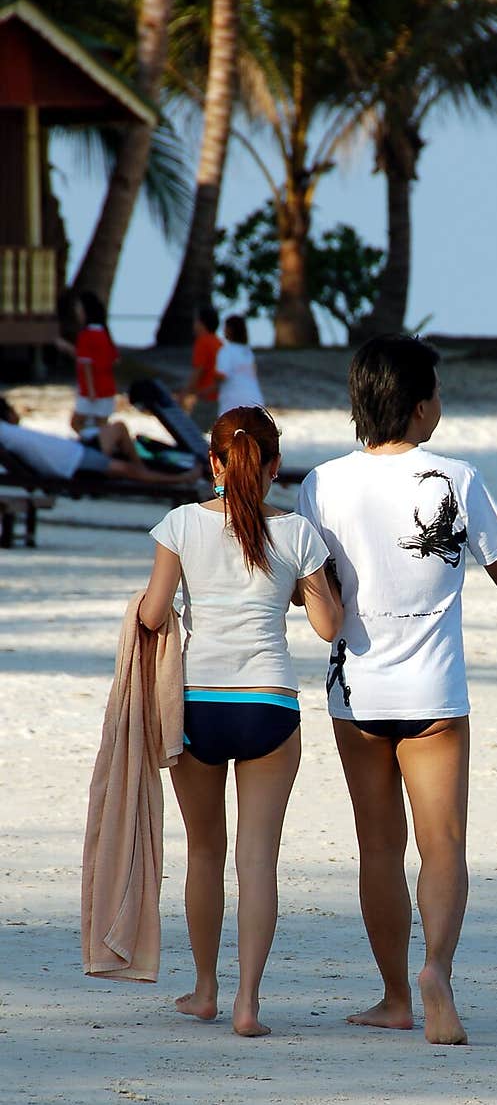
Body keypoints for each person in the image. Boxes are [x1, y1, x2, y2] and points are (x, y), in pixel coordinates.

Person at [297, 334, 497, 1046]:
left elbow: (312, 587)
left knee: (378, 849)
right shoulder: (458, 476)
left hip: (357, 695)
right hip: (435, 694)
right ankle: (436, 969)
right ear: (420, 408)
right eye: (437, 392)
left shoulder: (319, 484)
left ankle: (391, 996)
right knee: (442, 843)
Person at [138, 405, 342, 1037]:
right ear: (275, 467)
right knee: (258, 862)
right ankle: (248, 1005)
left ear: (215, 464)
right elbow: (329, 627)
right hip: (270, 705)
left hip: (199, 704)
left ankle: (204, 991)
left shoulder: (180, 526)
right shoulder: (300, 534)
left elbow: (151, 615)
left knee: (204, 852)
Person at [0, 397, 200, 488]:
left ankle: (140, 465)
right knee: (127, 468)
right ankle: (179, 479)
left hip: (75, 450)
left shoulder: (9, 433)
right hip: (71, 461)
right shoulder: (6, 431)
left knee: (119, 428)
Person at [55, 291, 120, 438]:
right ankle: (99, 446)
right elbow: (114, 360)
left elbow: (87, 365)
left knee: (77, 423)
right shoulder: (104, 332)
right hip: (107, 386)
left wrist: (91, 390)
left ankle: (95, 446)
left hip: (92, 389)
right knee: (102, 424)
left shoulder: (86, 335)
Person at [174, 303, 223, 421]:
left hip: (206, 397)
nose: (194, 324)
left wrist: (184, 394)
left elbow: (198, 370)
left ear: (202, 323)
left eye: (196, 321)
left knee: (194, 433)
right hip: (220, 397)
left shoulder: (202, 342)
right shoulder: (219, 343)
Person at [215, 314, 265, 415]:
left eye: (225, 327)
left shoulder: (226, 350)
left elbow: (222, 375)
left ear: (230, 329)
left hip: (233, 401)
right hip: (255, 399)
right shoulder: (247, 351)